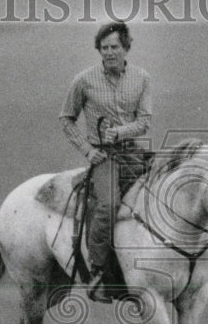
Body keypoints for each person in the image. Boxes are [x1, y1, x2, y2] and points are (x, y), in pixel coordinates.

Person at [59, 21, 151, 302]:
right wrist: (88, 150)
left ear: (126, 48)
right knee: (109, 204)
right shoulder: (84, 80)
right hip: (103, 156)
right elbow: (66, 119)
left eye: (115, 47)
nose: (109, 52)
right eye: (104, 47)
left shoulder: (142, 78)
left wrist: (121, 131)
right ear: (99, 50)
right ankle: (98, 272)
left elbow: (145, 121)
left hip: (133, 152)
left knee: (162, 195)